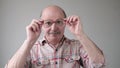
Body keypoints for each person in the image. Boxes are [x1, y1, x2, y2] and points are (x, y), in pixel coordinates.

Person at [5, 5, 105, 68]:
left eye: (58, 22)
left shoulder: (77, 46)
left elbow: (99, 64)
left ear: (65, 23)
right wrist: (29, 41)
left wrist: (80, 34)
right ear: (41, 25)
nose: (54, 28)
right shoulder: (31, 49)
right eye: (48, 23)